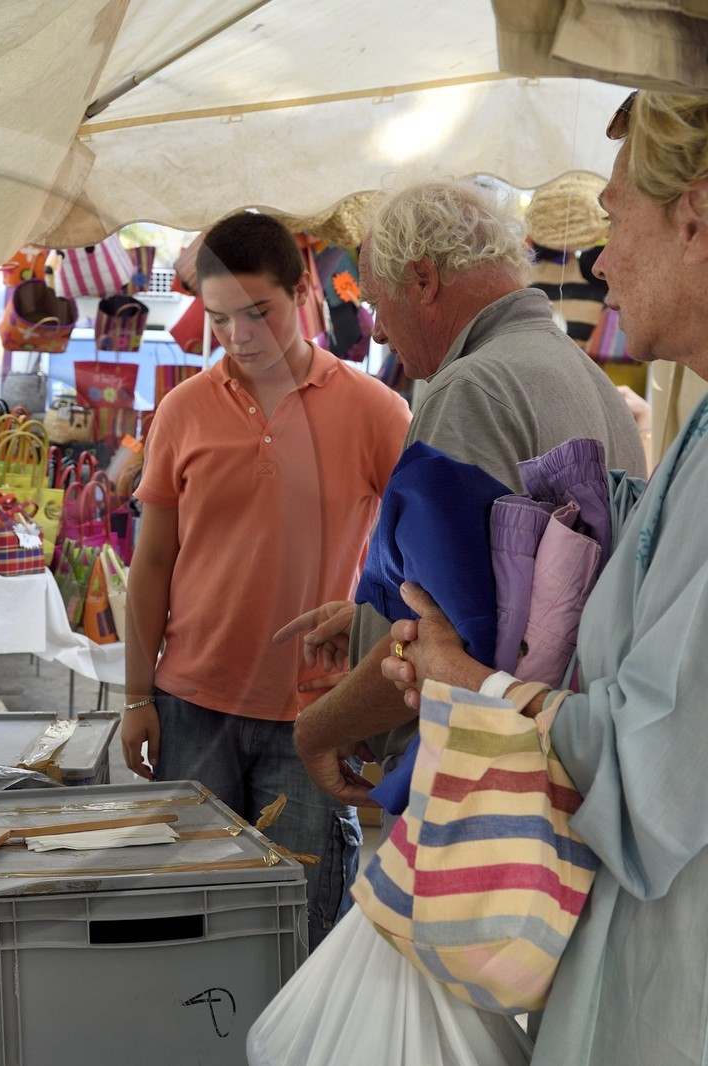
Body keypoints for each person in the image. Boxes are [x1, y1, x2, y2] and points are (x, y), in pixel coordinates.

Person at [377, 91, 708, 1065]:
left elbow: (655, 762)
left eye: (615, 216)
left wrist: (470, 686)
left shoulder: (474, 384)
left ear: (694, 218)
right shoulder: (689, 427)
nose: (600, 261)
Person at [283, 180, 646, 811]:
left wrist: (318, 729)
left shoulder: (472, 387)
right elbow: (504, 602)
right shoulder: (584, 373)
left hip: (479, 782)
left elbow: (440, 642)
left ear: (423, 279)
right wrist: (368, 622)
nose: (379, 334)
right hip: (562, 765)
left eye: (378, 305)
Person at [119, 211, 412, 950]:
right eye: (220, 318)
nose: (239, 335)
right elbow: (152, 563)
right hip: (190, 706)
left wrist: (367, 626)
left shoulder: (376, 410)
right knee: (189, 928)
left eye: (258, 313)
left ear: (302, 291)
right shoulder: (184, 410)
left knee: (301, 931)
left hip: (313, 714)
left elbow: (420, 552)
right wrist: (135, 697)